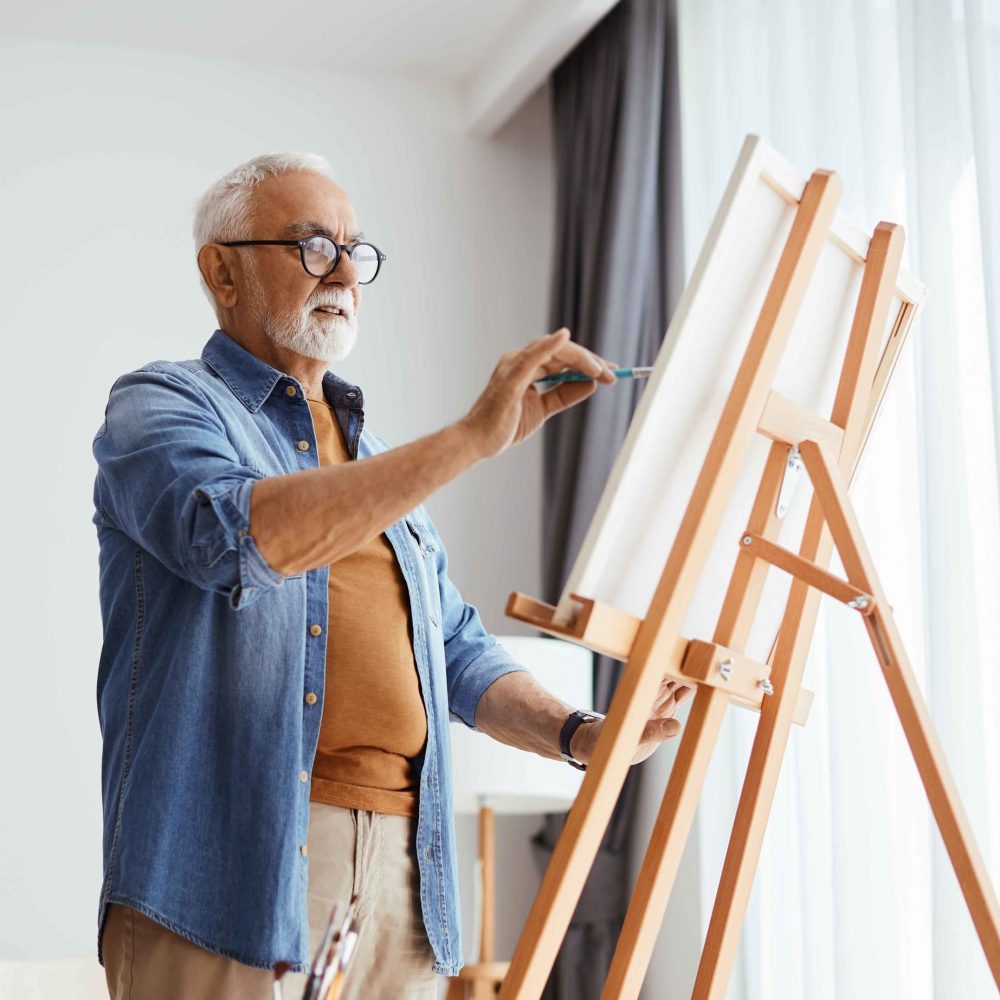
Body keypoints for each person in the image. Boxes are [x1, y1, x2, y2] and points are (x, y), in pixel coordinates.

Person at [92, 152, 692, 999]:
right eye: (311, 246)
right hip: (229, 868)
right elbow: (232, 538)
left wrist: (581, 735)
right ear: (221, 272)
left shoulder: (373, 460)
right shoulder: (160, 404)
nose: (343, 271)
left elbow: (452, 648)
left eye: (355, 249)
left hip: (405, 868)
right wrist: (466, 441)